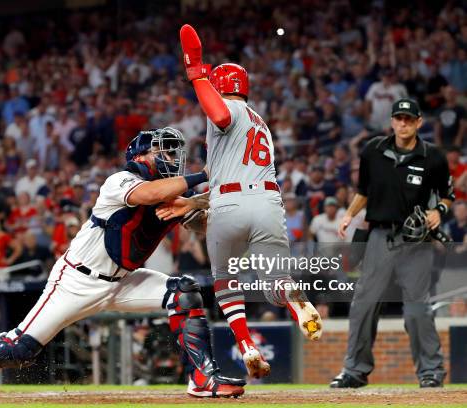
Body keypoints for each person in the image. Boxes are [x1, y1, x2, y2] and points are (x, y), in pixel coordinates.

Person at [0, 128, 245, 398]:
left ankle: (203, 379)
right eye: (163, 151)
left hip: (123, 281)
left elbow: (200, 225)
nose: (171, 157)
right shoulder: (121, 181)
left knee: (183, 291)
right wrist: (205, 176)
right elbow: (148, 196)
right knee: (19, 348)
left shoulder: (173, 196)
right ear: (140, 156)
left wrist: (202, 205)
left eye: (172, 152)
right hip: (76, 280)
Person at [156, 25, 323, 380]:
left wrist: (197, 74)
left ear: (221, 87)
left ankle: (246, 344)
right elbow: (231, 179)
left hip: (229, 208)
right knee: (277, 281)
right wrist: (194, 203)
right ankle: (296, 303)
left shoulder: (227, 110)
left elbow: (218, 114)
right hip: (266, 202)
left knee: (225, 281)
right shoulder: (259, 124)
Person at [330, 98, 454, 389]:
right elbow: (364, 191)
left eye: (409, 119)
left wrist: (439, 211)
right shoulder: (373, 150)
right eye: (399, 118)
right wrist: (349, 215)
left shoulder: (433, 156)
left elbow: (448, 195)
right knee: (363, 304)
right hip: (379, 236)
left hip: (416, 242)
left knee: (417, 309)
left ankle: (431, 371)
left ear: (419, 122)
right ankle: (354, 371)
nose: (403, 123)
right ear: (392, 121)